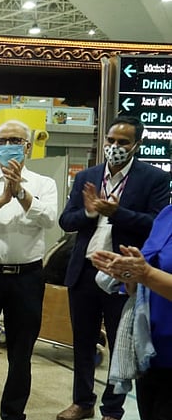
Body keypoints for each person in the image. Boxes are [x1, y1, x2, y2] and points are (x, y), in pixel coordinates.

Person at [57, 115, 169, 420]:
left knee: (122, 341)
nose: (114, 147)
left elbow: (155, 224)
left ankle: (112, 408)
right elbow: (66, 220)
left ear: (137, 145)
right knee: (82, 340)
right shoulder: (88, 176)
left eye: (122, 142)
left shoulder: (153, 179)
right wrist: (90, 212)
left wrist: (118, 213)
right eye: (111, 141)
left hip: (124, 275)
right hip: (85, 270)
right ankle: (82, 402)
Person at [0, 120, 58, 420]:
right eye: (2, 141)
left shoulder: (44, 184)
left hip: (27, 278)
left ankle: (13, 414)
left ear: (28, 146)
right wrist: (2, 199)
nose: (8, 146)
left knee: (21, 354)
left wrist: (20, 193)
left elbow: (48, 220)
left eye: (15, 140)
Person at [91, 204, 172, 420]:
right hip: (152, 351)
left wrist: (145, 274)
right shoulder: (167, 215)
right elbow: (143, 282)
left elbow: (149, 273)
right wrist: (129, 275)